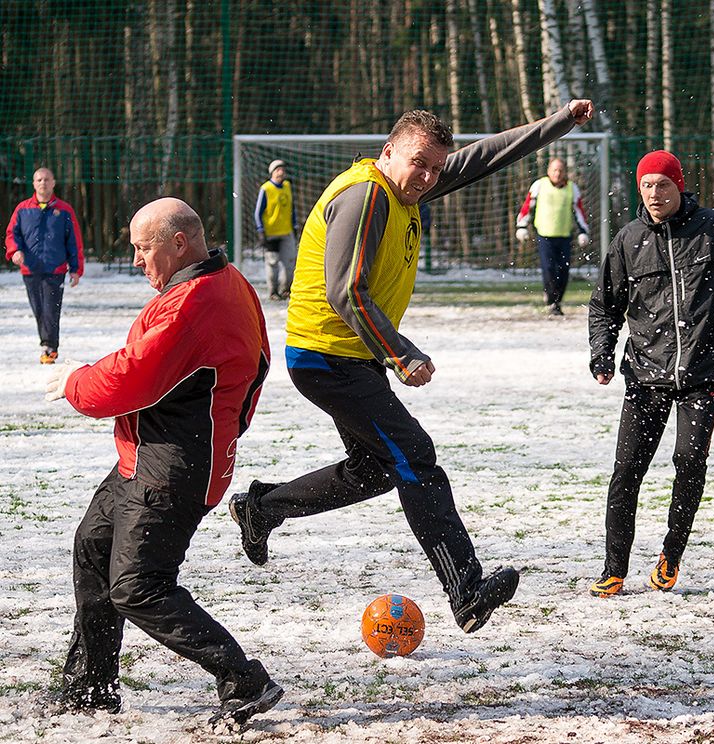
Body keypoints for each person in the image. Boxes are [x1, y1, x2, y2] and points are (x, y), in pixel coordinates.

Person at [230, 100, 594, 634]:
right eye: (417, 162)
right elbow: (345, 292)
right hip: (328, 357)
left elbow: (482, 158)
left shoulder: (405, 187)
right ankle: (465, 588)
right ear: (388, 152)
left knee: (378, 467)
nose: (426, 177)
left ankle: (263, 507)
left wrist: (557, 123)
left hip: (350, 357)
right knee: (415, 457)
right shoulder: (366, 196)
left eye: (434, 169)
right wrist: (399, 352)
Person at [43, 198, 282, 725]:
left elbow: (131, 378)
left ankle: (244, 678)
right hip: (144, 454)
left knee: (138, 585)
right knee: (92, 548)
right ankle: (90, 685)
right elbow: (258, 364)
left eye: (142, 247)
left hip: (174, 466)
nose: (135, 260)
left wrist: (74, 382)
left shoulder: (195, 305)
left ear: (180, 243)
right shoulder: (223, 279)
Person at [587, 150, 714, 598]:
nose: (655, 194)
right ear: (640, 189)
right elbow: (604, 307)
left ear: (679, 186)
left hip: (705, 371)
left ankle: (671, 554)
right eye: (647, 185)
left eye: (663, 185)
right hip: (646, 374)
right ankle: (615, 566)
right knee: (627, 470)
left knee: (689, 462)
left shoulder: (713, 228)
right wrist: (601, 355)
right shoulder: (627, 239)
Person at [5, 167, 84, 363]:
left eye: (47, 179)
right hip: (30, 269)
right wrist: (15, 251)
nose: (43, 183)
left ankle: (50, 347)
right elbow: (11, 234)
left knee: (51, 309)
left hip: (55, 269)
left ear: (53, 182)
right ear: (33, 184)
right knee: (38, 309)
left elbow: (74, 241)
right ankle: (47, 343)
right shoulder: (22, 209)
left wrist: (75, 269)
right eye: (39, 179)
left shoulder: (64, 210)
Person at [515, 158, 590, 316]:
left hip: (564, 236)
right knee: (549, 268)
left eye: (560, 170)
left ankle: (557, 301)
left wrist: (583, 230)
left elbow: (579, 211)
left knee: (563, 270)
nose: (557, 173)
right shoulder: (539, 185)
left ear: (565, 172)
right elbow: (527, 207)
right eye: (554, 170)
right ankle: (551, 302)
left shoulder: (572, 188)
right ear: (548, 171)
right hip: (544, 236)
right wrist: (521, 226)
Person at [254, 159, 298, 300]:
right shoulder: (266, 189)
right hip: (271, 234)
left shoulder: (287, 186)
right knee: (272, 264)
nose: (281, 172)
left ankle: (286, 290)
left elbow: (292, 208)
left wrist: (294, 225)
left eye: (282, 169)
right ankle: (273, 292)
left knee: (289, 263)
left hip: (286, 232)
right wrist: (261, 230)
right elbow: (258, 213)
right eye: (278, 169)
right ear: (272, 172)